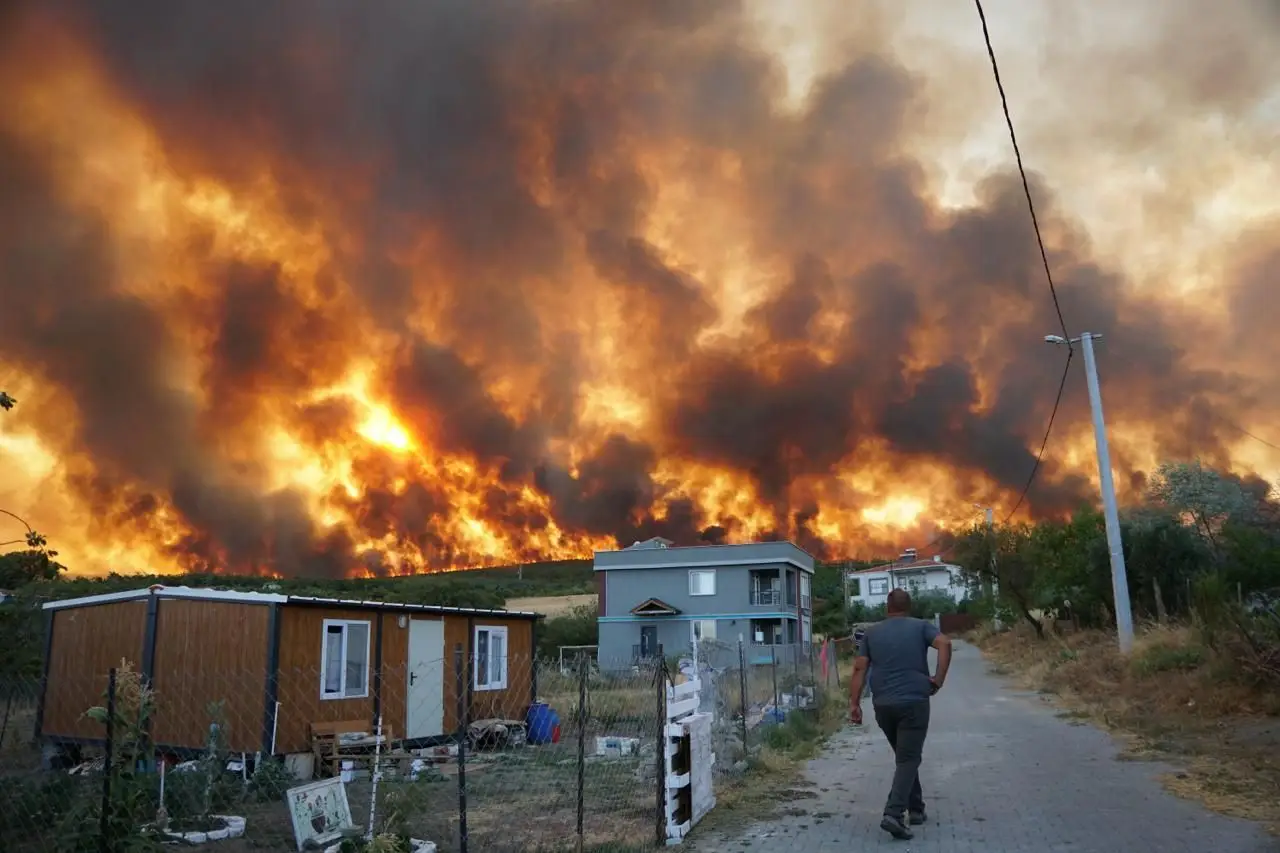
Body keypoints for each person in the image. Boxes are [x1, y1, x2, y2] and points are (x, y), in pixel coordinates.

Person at [848, 589, 953, 841]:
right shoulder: (920, 627)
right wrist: (937, 680)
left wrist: (854, 704)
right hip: (914, 701)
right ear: (909, 607)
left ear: (887, 607)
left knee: (904, 755)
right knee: (908, 758)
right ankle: (893, 813)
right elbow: (945, 643)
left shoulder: (871, 633)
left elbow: (859, 668)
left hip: (883, 704)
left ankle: (916, 809)